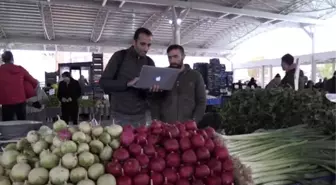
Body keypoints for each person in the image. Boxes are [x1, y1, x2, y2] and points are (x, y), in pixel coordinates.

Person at [99, 27, 159, 126]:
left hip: (141, 116)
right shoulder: (120, 57)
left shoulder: (149, 62)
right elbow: (103, 83)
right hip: (119, 115)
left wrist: (153, 90)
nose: (146, 48)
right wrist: (127, 83)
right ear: (134, 42)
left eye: (149, 45)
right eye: (142, 44)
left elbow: (149, 94)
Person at [150, 45, 206, 123]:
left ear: (183, 56)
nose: (172, 60)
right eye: (169, 57)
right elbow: (155, 101)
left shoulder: (195, 76)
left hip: (187, 127)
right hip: (165, 126)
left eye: (176, 56)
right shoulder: (162, 75)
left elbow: (201, 102)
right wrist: (156, 119)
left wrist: (194, 121)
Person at [0, 51, 38, 121]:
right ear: (12, 58)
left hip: (6, 101)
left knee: (7, 123)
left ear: (3, 59)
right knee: (22, 121)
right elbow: (33, 81)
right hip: (20, 100)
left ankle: (8, 132)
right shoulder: (20, 69)